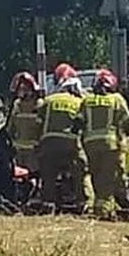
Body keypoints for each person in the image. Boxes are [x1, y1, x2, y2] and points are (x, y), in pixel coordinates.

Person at [80, 69, 129, 217]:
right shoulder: (116, 99)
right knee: (107, 179)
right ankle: (103, 211)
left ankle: (101, 207)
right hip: (110, 146)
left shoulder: (87, 101)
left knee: (96, 178)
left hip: (90, 146)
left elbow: (77, 123)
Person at [36, 75, 94, 209]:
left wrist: (39, 143)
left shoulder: (49, 100)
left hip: (49, 142)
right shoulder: (80, 101)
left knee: (48, 175)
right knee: (81, 172)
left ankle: (48, 204)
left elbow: (38, 123)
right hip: (71, 143)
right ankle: (83, 203)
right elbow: (84, 124)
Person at [6, 72, 43, 172]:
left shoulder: (39, 105)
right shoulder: (17, 105)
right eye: (21, 89)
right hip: (19, 153)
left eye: (25, 89)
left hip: (34, 153)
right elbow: (10, 129)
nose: (23, 92)